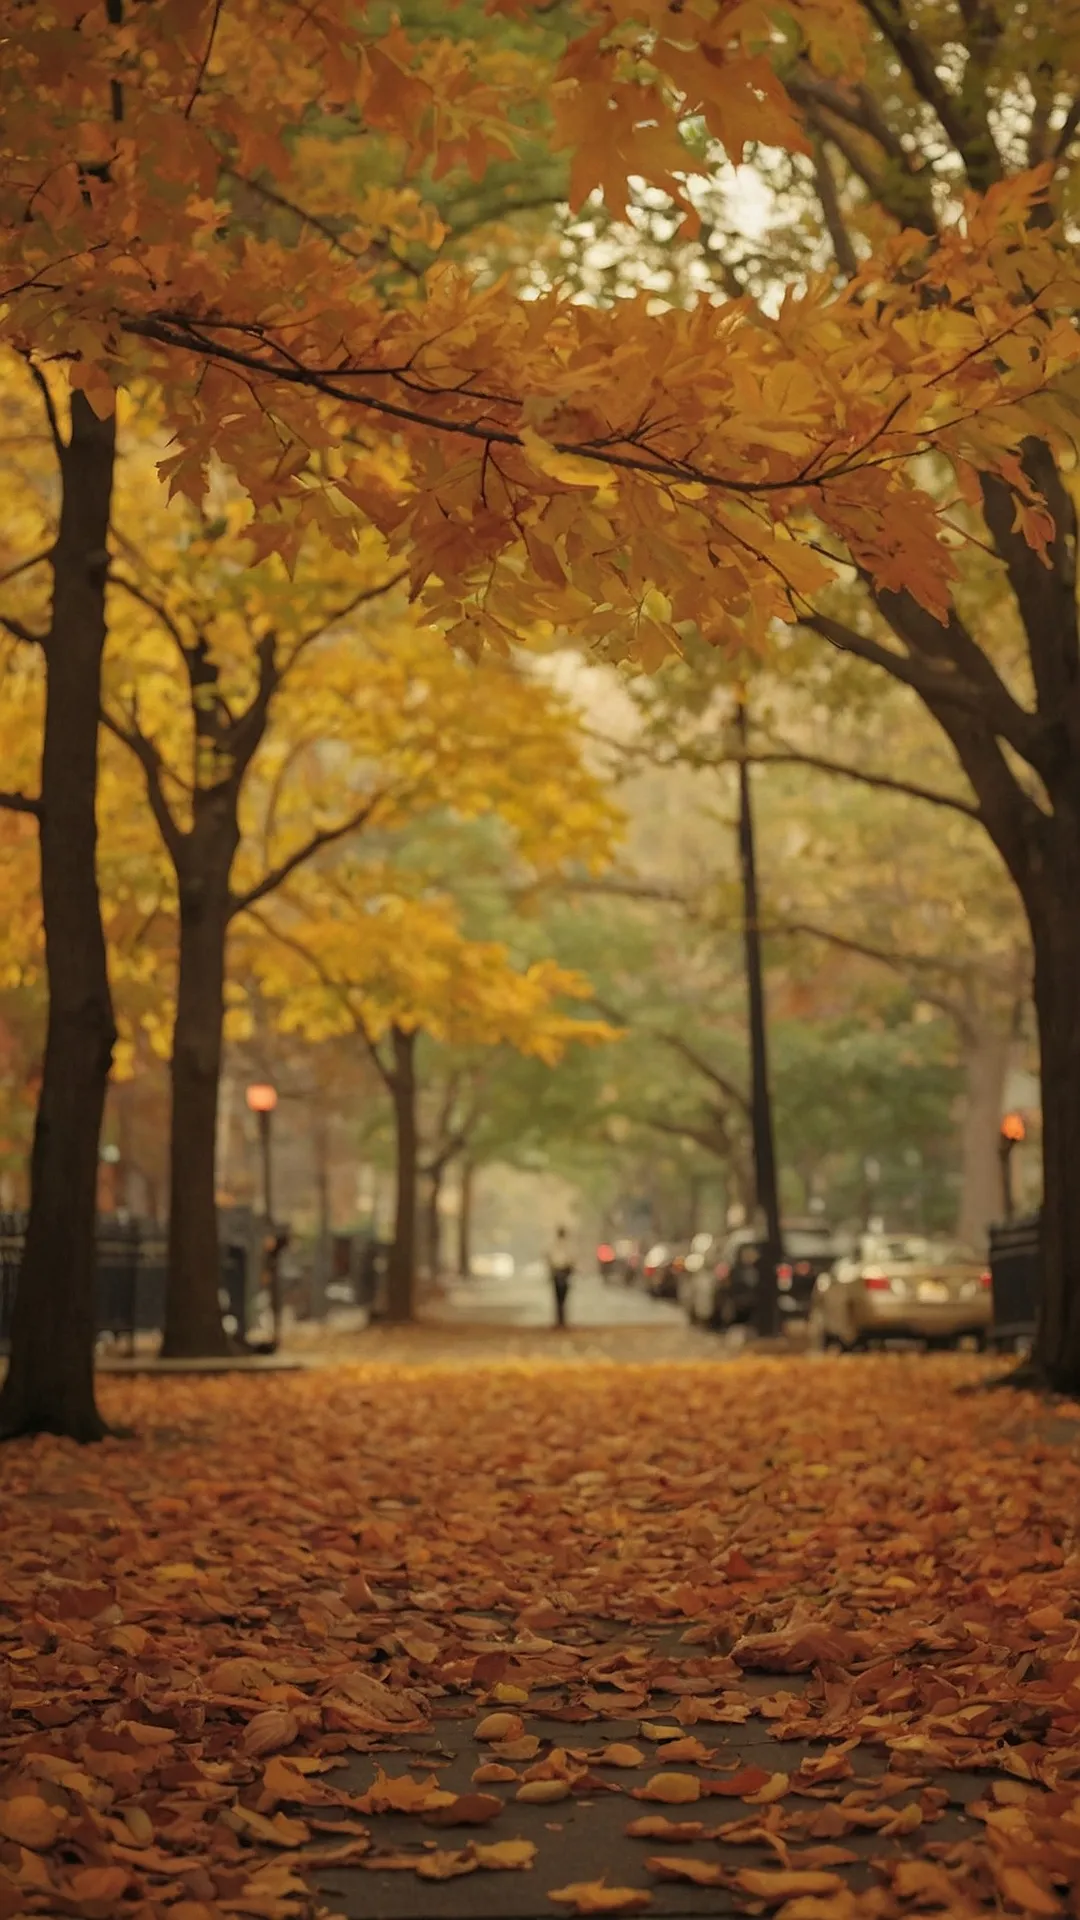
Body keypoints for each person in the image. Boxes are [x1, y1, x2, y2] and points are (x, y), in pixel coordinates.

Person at [547, 1225, 576, 1328]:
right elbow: (572, 1260)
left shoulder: (554, 1245)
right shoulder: (568, 1245)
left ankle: (560, 1320)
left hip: (558, 1271)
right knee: (562, 1298)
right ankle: (561, 1321)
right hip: (563, 1271)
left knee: (558, 1298)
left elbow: (549, 1259)